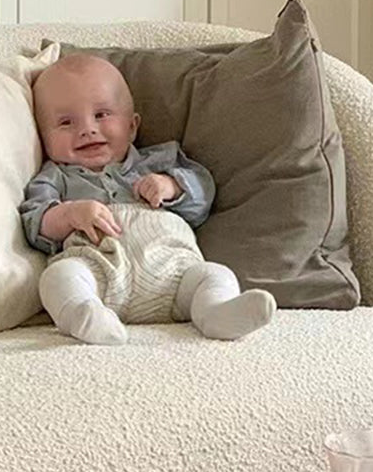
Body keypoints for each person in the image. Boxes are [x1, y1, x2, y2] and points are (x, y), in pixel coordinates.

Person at [20, 54, 277, 345]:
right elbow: (34, 223)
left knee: (215, 274)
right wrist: (70, 214)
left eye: (101, 115)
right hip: (99, 272)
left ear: (132, 126)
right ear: (43, 138)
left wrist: (171, 186)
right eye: (66, 122)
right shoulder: (55, 177)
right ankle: (85, 316)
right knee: (57, 276)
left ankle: (215, 313)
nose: (87, 129)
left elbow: (202, 195)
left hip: (174, 271)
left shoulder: (159, 160)